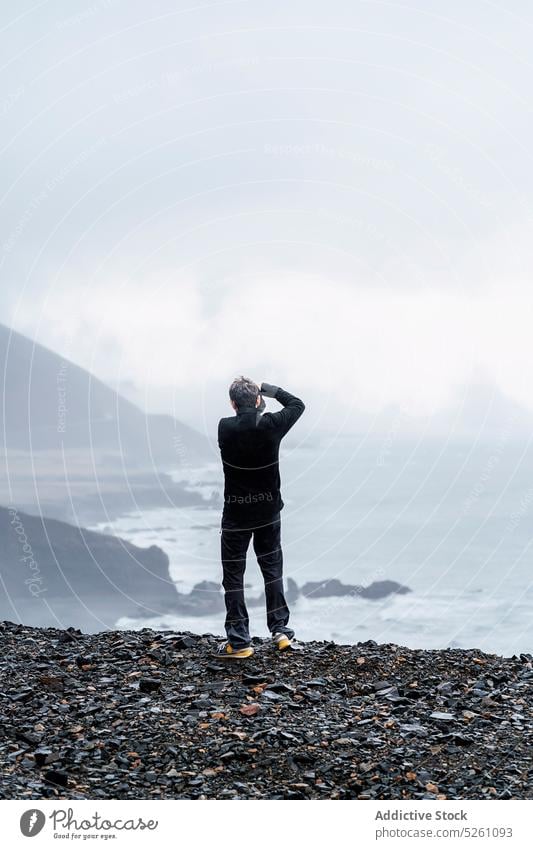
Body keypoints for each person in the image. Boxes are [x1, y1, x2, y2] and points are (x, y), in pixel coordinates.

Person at [214, 377, 305, 658]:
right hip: (267, 512)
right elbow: (297, 405)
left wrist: (255, 406)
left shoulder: (225, 427)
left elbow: (245, 423)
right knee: (271, 571)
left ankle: (239, 642)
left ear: (232, 404)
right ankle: (280, 632)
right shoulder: (270, 425)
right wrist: (270, 392)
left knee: (233, 577)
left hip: (236, 514)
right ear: (257, 401)